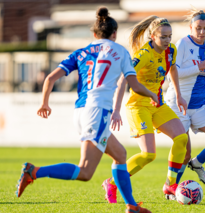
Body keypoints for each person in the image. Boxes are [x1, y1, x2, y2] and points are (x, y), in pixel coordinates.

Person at [16, 7, 157, 213]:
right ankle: (34, 171)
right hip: (97, 112)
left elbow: (49, 78)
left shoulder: (81, 52)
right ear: (115, 33)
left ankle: (132, 206)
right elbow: (134, 86)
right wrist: (152, 94)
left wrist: (44, 103)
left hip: (81, 112)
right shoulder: (120, 51)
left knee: (120, 154)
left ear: (94, 34)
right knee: (85, 171)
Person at [102, 15, 188, 203]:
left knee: (181, 138)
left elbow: (172, 68)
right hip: (138, 106)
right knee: (148, 154)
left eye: (169, 36)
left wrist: (179, 95)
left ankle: (170, 184)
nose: (167, 40)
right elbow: (123, 79)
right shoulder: (143, 54)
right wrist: (115, 111)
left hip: (157, 104)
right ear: (152, 36)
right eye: (163, 37)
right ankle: (111, 183)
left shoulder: (171, 50)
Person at [164, 8, 205, 192]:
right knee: (183, 154)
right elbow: (172, 74)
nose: (202, 32)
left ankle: (198, 163)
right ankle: (171, 188)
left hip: (200, 105)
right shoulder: (181, 44)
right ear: (191, 27)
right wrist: (198, 66)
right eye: (198, 28)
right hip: (179, 105)